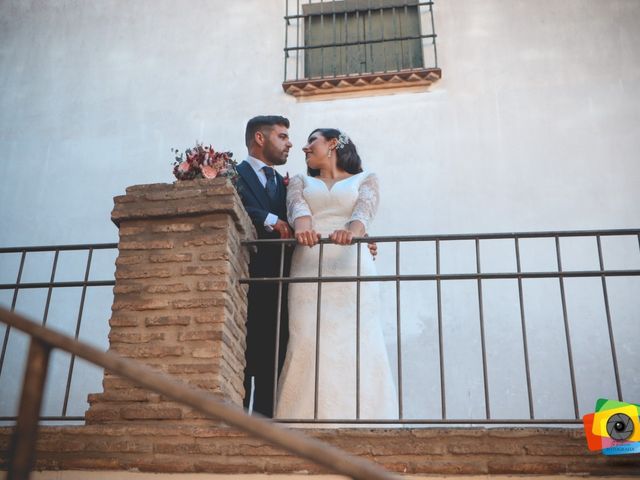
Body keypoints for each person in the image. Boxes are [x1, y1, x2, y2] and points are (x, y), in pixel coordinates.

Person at [275, 128, 397, 421]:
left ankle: (367, 419)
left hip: (352, 263)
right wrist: (303, 228)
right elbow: (297, 208)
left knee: (360, 337)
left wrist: (352, 234)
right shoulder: (300, 181)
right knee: (306, 337)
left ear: (332, 144)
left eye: (311, 141)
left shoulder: (366, 178)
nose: (304, 148)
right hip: (308, 262)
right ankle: (300, 420)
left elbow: (364, 211)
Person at [236, 115, 293, 417]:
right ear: (260, 138)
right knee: (241, 359)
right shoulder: (231, 174)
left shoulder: (287, 185)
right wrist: (269, 218)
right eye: (282, 136)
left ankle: (263, 431)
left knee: (274, 361)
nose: (290, 143)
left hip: (282, 287)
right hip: (244, 284)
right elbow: (229, 204)